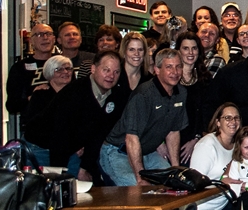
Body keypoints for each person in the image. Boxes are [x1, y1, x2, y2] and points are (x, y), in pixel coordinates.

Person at [24, 51, 127, 182]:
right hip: (40, 146)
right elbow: (60, 136)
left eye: (116, 72)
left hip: (69, 147)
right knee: (46, 190)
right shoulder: (74, 93)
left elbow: (98, 135)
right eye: (106, 70)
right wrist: (59, 176)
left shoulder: (115, 96)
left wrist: (84, 168)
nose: (111, 76)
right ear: (93, 69)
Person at [100, 49, 188, 186]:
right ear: (157, 70)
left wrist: (175, 169)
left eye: (178, 66)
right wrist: (140, 177)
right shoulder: (143, 95)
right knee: (140, 189)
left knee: (173, 182)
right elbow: (131, 138)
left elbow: (173, 131)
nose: (175, 72)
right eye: (169, 67)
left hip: (148, 152)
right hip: (118, 151)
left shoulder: (181, 93)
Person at [189, 103, 241, 210]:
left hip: (224, 204)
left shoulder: (236, 144)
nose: (233, 122)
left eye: (236, 118)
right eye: (227, 118)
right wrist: (221, 182)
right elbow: (194, 185)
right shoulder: (207, 146)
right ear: (218, 122)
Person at [176, 32, 215, 166]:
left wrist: (196, 140)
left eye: (194, 48)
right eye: (185, 48)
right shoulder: (170, 78)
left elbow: (207, 114)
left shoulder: (206, 79)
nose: (190, 52)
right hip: (171, 141)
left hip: (196, 141)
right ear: (178, 51)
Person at [7, 24, 56, 114]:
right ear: (31, 41)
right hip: (34, 123)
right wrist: (33, 98)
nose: (45, 37)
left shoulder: (63, 64)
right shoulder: (19, 68)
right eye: (39, 34)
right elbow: (12, 106)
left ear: (54, 39)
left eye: (48, 34)